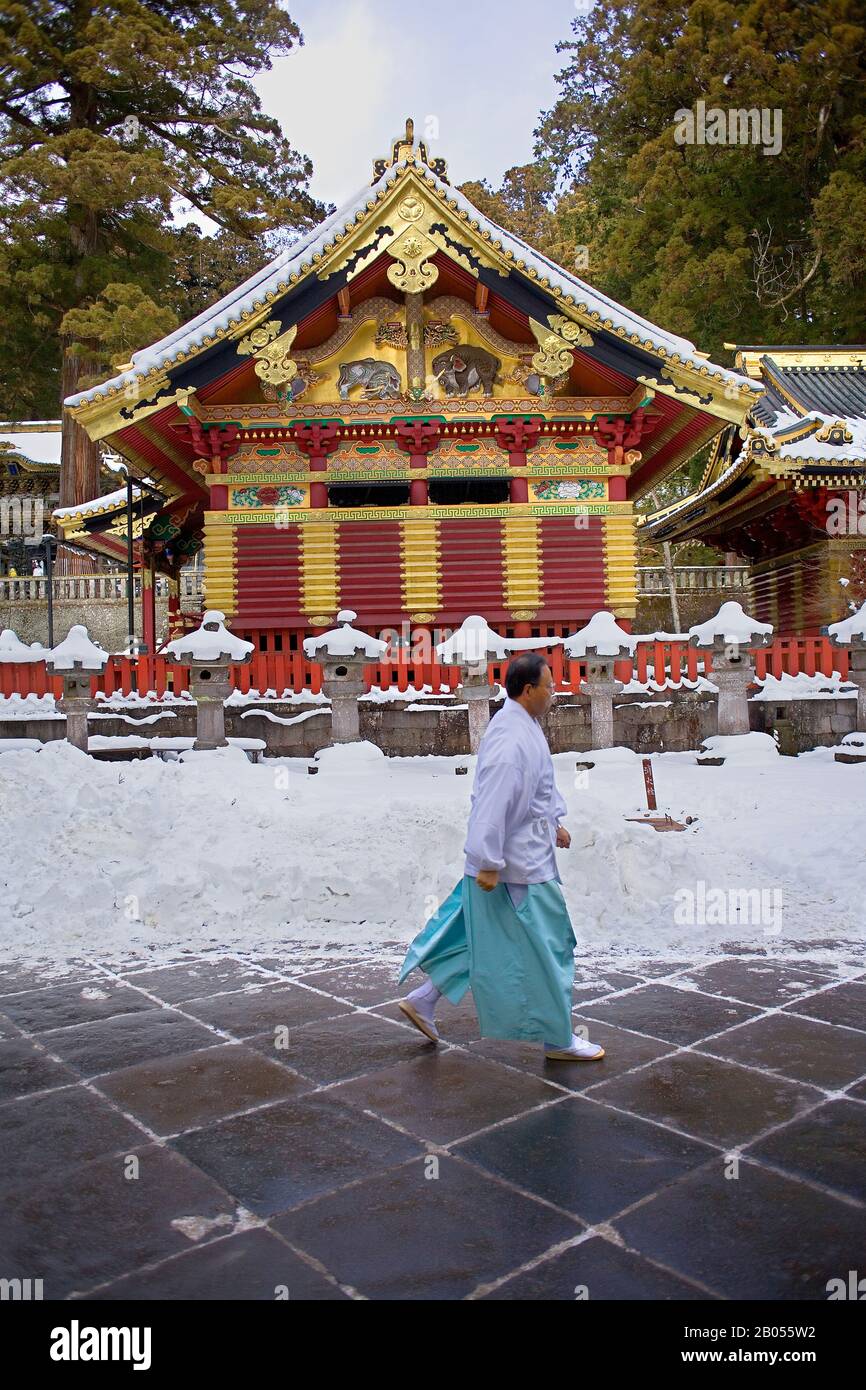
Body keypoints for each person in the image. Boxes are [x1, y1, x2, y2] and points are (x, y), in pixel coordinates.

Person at [397, 651, 605, 1062]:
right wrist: (488, 860)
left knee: (479, 939)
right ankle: (559, 1038)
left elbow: (536, 790)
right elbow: (493, 801)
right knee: (550, 948)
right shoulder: (511, 738)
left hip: (515, 862)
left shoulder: (520, 724)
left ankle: (423, 1000)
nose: (553, 693)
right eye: (549, 686)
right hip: (516, 869)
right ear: (528, 690)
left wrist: (554, 822)